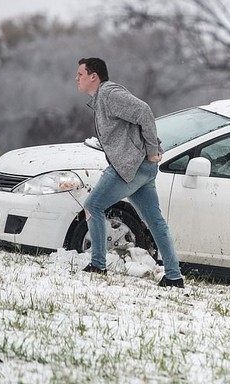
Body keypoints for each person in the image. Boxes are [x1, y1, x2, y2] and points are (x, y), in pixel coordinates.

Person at [75, 57, 184, 288]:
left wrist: (153, 149)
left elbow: (143, 111)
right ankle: (174, 277)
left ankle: (97, 265)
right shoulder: (102, 98)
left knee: (93, 205)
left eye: (80, 74)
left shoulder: (108, 94)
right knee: (155, 221)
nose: (77, 79)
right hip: (142, 168)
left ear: (93, 76)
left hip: (130, 167)